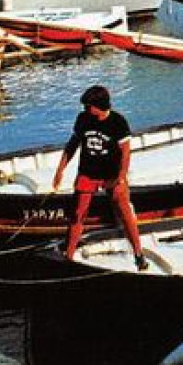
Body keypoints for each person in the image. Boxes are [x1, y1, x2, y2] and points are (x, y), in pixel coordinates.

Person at [53, 85, 146, 269]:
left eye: (88, 106)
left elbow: (125, 153)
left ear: (99, 105)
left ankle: (138, 254)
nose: (85, 110)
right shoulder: (83, 119)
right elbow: (72, 145)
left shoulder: (118, 122)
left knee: (123, 208)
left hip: (112, 173)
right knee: (78, 212)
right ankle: (69, 257)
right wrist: (60, 170)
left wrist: (120, 178)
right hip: (88, 171)